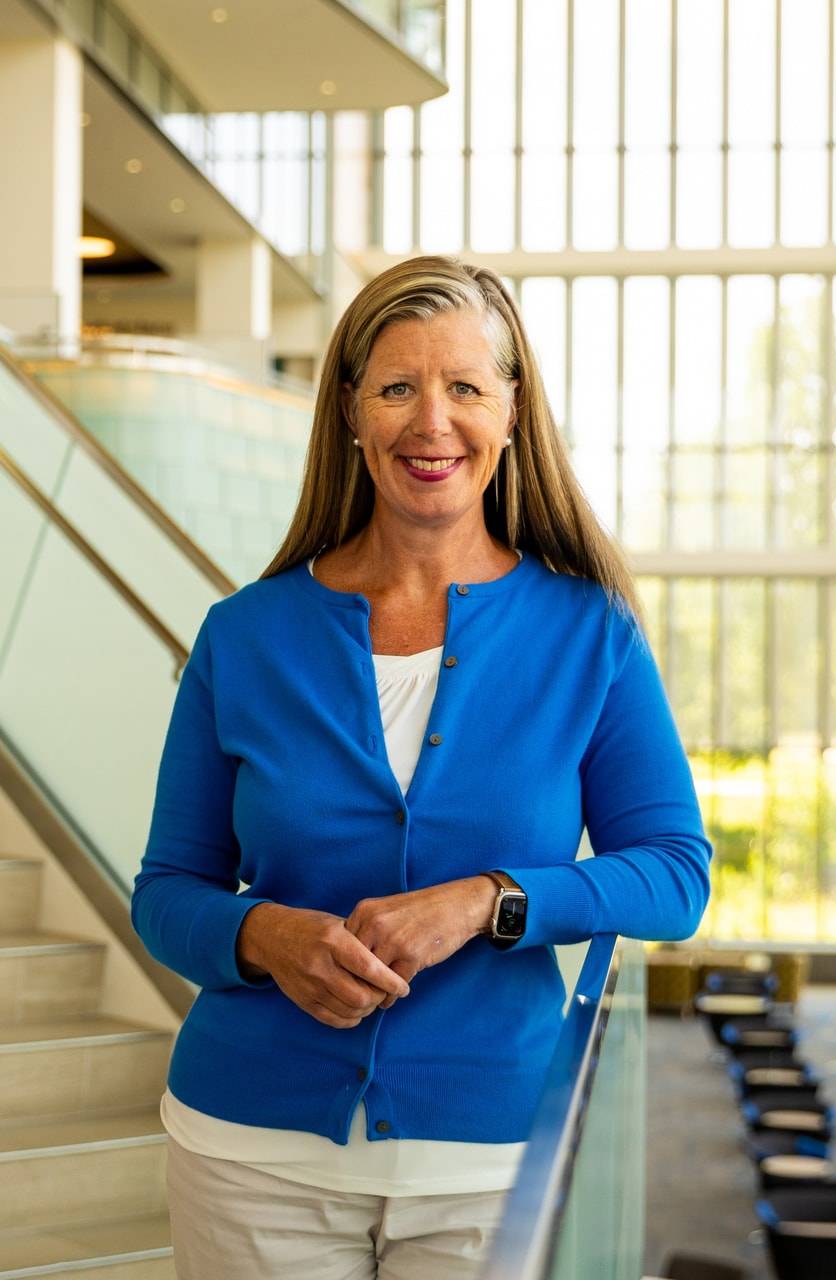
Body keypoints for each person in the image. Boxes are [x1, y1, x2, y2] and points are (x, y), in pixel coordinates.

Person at [131, 254, 714, 1279]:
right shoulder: (245, 635)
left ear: (512, 410)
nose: (430, 421)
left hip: (489, 1160)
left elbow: (674, 872)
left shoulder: (591, 633)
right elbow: (167, 892)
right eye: (397, 387)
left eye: (464, 388)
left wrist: (490, 900)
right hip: (248, 1152)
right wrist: (264, 934)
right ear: (352, 412)